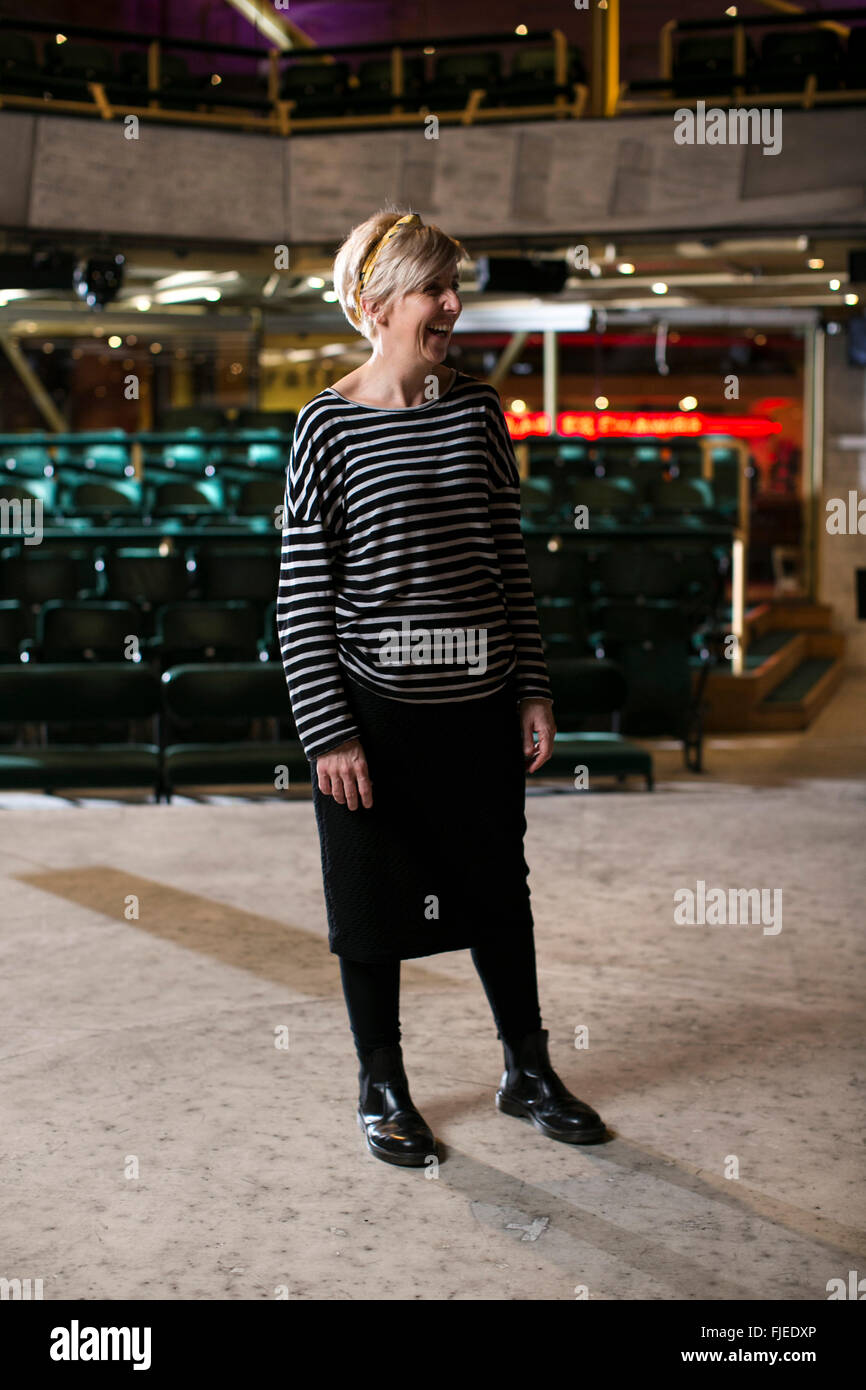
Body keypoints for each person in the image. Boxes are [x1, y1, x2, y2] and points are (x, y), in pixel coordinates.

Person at [276, 207, 606, 1167]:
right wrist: (328, 732)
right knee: (371, 904)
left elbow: (509, 560)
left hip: (479, 702)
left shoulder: (480, 409)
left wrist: (533, 689)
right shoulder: (324, 427)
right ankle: (382, 1084)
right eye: (435, 289)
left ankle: (527, 1070)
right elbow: (300, 596)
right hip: (372, 716)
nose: (454, 305)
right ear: (377, 306)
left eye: (454, 288)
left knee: (499, 892)